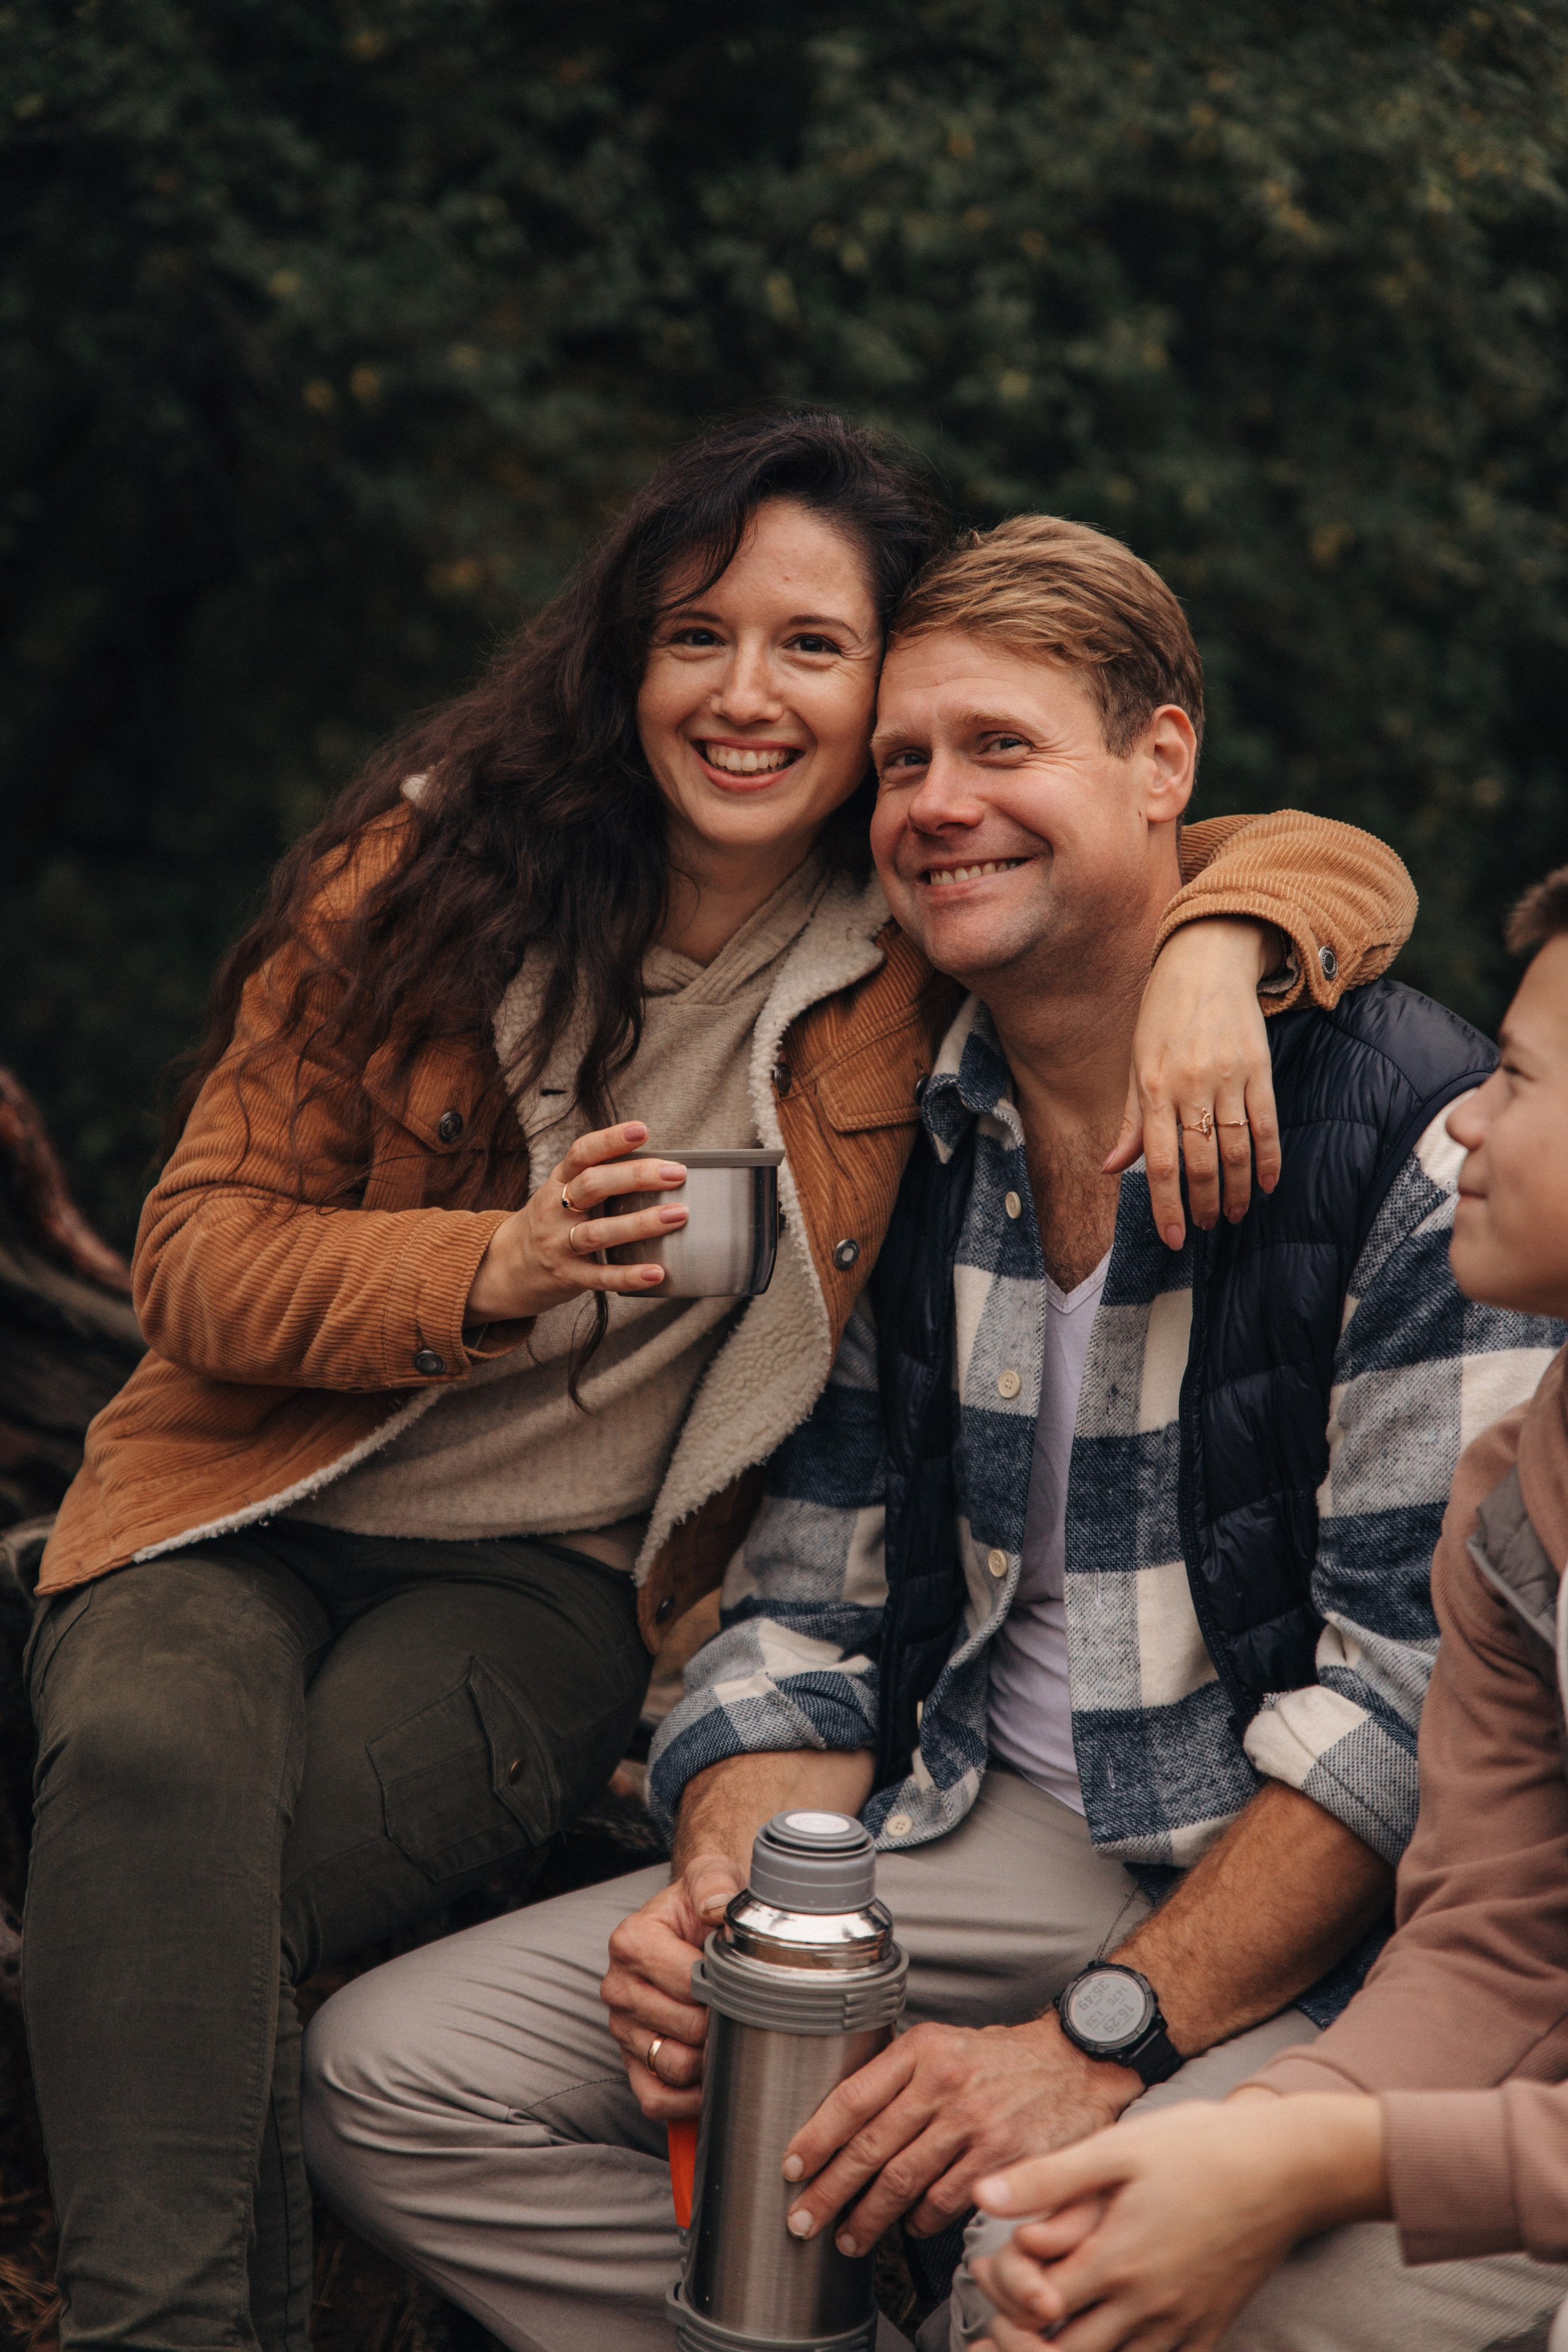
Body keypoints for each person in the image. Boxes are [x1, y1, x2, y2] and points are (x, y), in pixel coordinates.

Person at [19, 417, 1401, 2352]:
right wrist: (484, 1265)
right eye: (696, 636)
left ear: (877, 690)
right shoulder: (428, 872)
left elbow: (1243, 836)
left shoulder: (909, 936)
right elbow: (192, 1255)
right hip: (240, 1498)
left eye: (816, 652)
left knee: (190, 1904)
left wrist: (1218, 947)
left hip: (550, 1573)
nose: (748, 696)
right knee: (166, 1779)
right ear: (622, 660)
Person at [297, 515, 1556, 2352]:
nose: (938, 803)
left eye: (1000, 749)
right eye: (901, 761)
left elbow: (1396, 1725)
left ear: (1164, 767)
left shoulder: (1421, 1147)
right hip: (984, 1820)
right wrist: (735, 1909)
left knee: (1041, 2276)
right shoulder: (898, 1116)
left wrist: (1089, 2046)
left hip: (1285, 1895)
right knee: (397, 2077)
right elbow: (809, 1596)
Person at [958, 866, 1568, 2352]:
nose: (1460, 1124)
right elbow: (1494, 1939)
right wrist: (1253, 2136)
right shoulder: (1515, 1484)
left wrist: (1311, 2155)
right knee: (1057, 2268)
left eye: (1521, 1081)